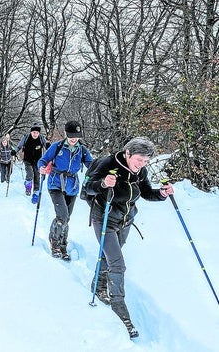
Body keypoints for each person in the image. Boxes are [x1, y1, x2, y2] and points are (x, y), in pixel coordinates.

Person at [84, 137, 174, 339]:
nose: (141, 165)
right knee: (117, 264)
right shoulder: (107, 163)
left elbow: (145, 192)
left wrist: (161, 193)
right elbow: (87, 188)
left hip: (125, 221)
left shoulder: (141, 171)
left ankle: (98, 285)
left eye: (146, 161)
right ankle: (119, 308)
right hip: (104, 218)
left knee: (110, 258)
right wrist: (103, 184)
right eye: (139, 160)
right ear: (127, 154)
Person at [38, 120, 93, 261]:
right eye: (71, 135)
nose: (74, 138)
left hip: (72, 186)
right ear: (66, 134)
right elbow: (43, 160)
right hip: (55, 183)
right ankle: (55, 243)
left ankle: (63, 245)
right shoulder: (58, 147)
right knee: (62, 215)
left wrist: (101, 173)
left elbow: (92, 165)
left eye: (77, 135)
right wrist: (41, 167)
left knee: (66, 218)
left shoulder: (82, 150)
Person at [13, 123, 47, 203]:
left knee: (37, 176)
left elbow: (48, 146)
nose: (35, 134)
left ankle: (35, 194)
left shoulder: (41, 138)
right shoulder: (26, 137)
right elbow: (19, 146)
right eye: (34, 132)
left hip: (38, 161)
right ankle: (28, 186)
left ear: (39, 133)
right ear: (31, 132)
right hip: (27, 160)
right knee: (30, 174)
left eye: (37, 133)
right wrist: (14, 151)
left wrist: (49, 146)